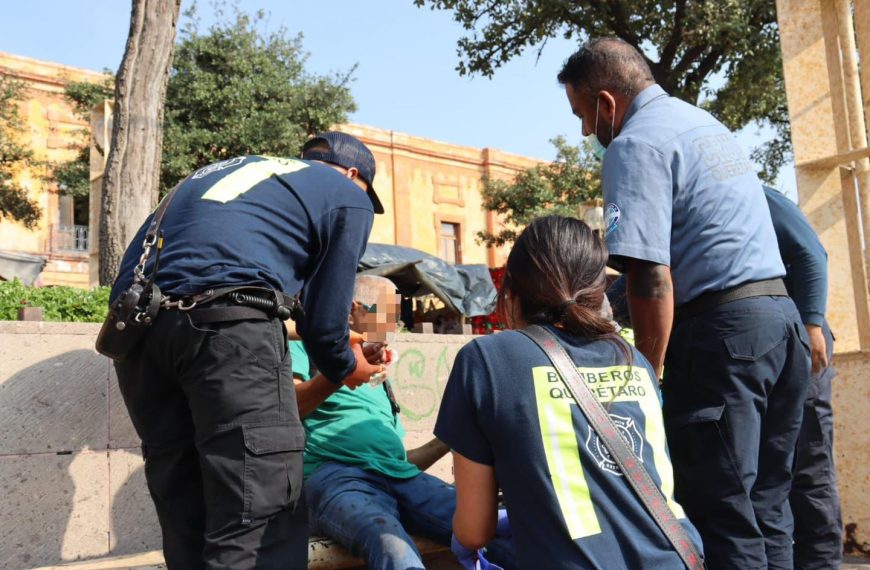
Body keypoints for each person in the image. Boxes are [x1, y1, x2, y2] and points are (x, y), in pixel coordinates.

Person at [558, 38, 810, 569]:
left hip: (722, 339)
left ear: (607, 103)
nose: (586, 132)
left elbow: (650, 277)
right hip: (780, 325)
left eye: (582, 115)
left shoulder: (635, 144)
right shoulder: (705, 126)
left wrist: (646, 374)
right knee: (769, 510)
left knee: (723, 514)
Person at [109, 131, 385, 569]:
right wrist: (343, 366)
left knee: (188, 515)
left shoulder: (234, 173)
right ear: (355, 175)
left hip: (138, 337)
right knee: (259, 521)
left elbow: (204, 279)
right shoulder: (347, 197)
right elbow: (324, 324)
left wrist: (323, 337)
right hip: (227, 337)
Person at [435, 215, 703, 569]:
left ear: (511, 293)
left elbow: (472, 532)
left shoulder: (486, 359)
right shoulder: (633, 360)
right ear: (599, 290)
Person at [294, 275, 516, 570]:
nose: (392, 328)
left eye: (396, 319)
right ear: (352, 311)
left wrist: (454, 438)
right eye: (387, 317)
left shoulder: (379, 379)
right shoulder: (305, 345)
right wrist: (343, 369)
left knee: (495, 528)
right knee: (393, 547)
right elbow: (290, 406)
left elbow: (398, 462)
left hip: (399, 478)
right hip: (337, 479)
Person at [764, 186, 842, 569]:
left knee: (810, 472)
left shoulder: (759, 196)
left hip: (803, 340)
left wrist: (812, 324)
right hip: (760, 347)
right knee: (770, 475)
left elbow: (812, 254)